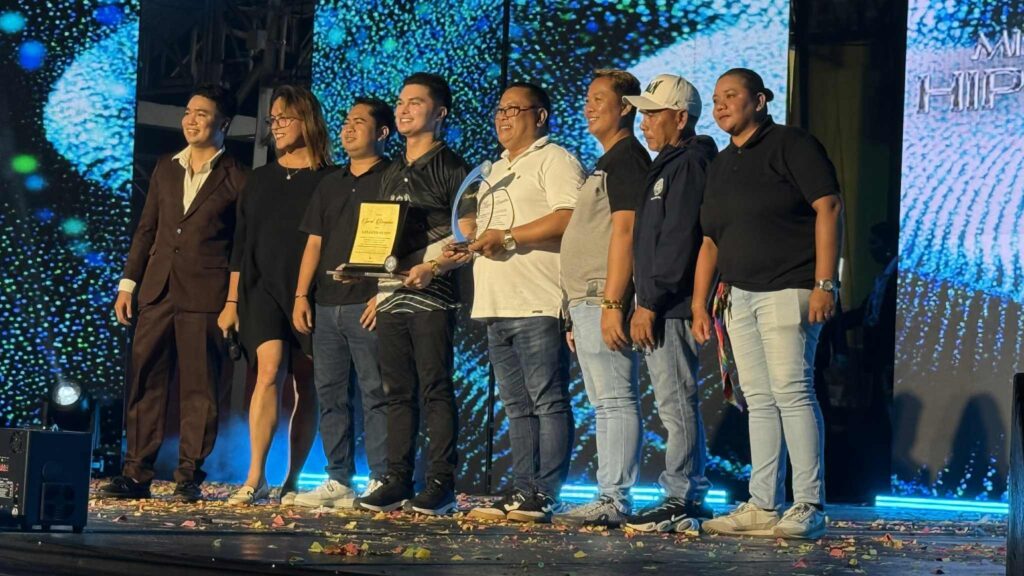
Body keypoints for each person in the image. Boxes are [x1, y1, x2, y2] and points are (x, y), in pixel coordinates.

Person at [696, 69, 843, 540]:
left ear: (759, 101)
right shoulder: (721, 163)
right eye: (715, 99)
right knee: (758, 400)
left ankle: (808, 503)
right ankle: (763, 504)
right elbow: (711, 240)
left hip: (789, 287)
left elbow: (829, 206)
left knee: (792, 392)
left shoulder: (791, 145)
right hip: (738, 295)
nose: (720, 105)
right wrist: (700, 303)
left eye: (731, 96)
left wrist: (825, 283)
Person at [100, 84, 247, 503]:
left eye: (202, 113)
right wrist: (128, 284)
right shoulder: (166, 166)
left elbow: (241, 245)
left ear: (223, 123)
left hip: (206, 293)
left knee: (200, 388)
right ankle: (136, 473)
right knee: (146, 380)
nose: (191, 120)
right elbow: (146, 229)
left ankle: (188, 477)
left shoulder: (238, 177)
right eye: (188, 112)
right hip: (157, 290)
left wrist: (232, 302)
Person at [463, 82, 583, 523]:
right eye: (499, 110)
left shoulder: (556, 159)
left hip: (538, 301)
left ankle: (546, 493)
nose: (503, 118)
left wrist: (509, 237)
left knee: (547, 401)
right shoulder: (494, 169)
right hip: (496, 301)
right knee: (516, 407)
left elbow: (571, 217)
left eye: (513, 109)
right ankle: (522, 489)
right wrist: (470, 238)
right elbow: (488, 230)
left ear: (541, 116)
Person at [354, 72, 474, 516]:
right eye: (401, 102)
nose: (404, 110)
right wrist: (365, 275)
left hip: (432, 294)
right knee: (396, 391)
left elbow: (468, 236)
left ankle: (440, 484)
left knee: (435, 388)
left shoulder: (455, 168)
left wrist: (432, 266)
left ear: (440, 114)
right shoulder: (389, 171)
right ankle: (397, 480)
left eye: (416, 103)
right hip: (391, 295)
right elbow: (382, 239)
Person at [224, 86, 336, 505]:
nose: (277, 126)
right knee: (268, 371)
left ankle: (293, 479)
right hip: (260, 288)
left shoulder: (331, 179)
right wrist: (231, 302)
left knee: (307, 383)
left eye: (285, 117)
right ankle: (255, 476)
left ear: (308, 120)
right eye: (273, 119)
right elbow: (241, 243)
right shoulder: (259, 179)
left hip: (311, 292)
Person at [552, 69, 650, 528]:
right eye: (587, 99)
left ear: (626, 106)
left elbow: (626, 232)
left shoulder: (628, 158)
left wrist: (613, 303)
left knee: (616, 399)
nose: (589, 107)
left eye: (598, 99)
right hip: (586, 301)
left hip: (602, 298)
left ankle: (615, 497)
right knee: (604, 402)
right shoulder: (608, 160)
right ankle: (608, 493)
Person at [620, 74, 718, 532]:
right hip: (662, 302)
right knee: (673, 403)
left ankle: (682, 495)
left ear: (680, 118)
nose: (643, 122)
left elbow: (679, 239)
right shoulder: (670, 164)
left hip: (671, 306)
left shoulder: (690, 163)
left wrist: (650, 302)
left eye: (652, 113)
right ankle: (685, 492)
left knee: (677, 402)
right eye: (642, 114)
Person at [290, 98, 395, 508]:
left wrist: (384, 293)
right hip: (326, 303)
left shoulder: (393, 178)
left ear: (383, 133)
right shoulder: (330, 182)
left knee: (376, 392)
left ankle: (382, 477)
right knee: (330, 395)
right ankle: (338, 478)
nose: (348, 129)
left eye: (359, 122)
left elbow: (403, 243)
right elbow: (313, 243)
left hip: (367, 303)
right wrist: (302, 295)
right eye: (346, 121)